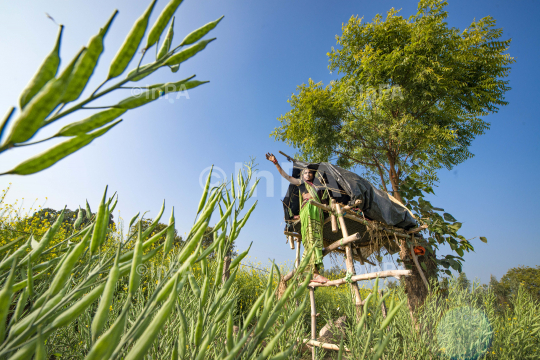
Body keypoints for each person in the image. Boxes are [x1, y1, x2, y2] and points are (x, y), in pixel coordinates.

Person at [266, 153, 329, 284]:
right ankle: (315, 274)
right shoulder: (301, 183)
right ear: (302, 175)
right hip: (309, 210)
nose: (308, 174)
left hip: (318, 212)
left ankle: (310, 273)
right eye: (305, 173)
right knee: (311, 239)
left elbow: (325, 201)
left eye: (310, 173)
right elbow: (286, 176)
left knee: (317, 241)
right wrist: (275, 162)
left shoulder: (317, 187)